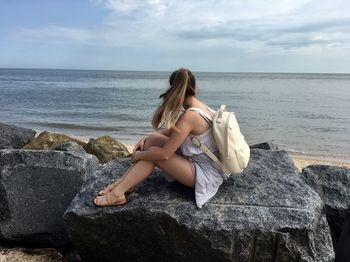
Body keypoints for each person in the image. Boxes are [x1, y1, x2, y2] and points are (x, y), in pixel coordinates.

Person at [94, 68, 224, 208]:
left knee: (155, 155)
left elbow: (164, 154)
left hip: (205, 174)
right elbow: (170, 132)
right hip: (202, 163)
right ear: (195, 87)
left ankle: (117, 194)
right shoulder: (199, 107)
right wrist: (146, 138)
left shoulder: (190, 116)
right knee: (153, 140)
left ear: (172, 90)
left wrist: (139, 155)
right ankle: (123, 184)